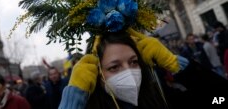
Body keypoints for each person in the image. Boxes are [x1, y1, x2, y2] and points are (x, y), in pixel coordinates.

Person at [59, 31, 189, 109]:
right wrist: (73, 100)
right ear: (97, 74)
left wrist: (176, 64)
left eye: (134, 62)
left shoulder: (159, 97)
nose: (129, 73)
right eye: (114, 67)